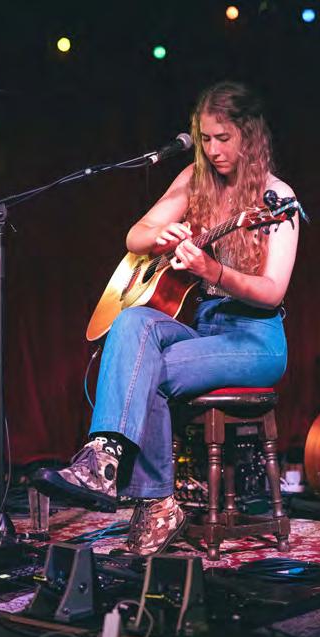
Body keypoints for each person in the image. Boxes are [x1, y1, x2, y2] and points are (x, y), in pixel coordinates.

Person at [34, 81, 300, 555]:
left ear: (250, 134)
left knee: (145, 370)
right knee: (131, 322)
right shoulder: (194, 179)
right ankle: (105, 459)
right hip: (206, 330)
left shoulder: (278, 198)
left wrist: (213, 271)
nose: (213, 150)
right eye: (205, 139)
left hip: (256, 342)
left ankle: (154, 502)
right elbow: (135, 236)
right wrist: (160, 237)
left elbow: (272, 292)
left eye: (223, 138)